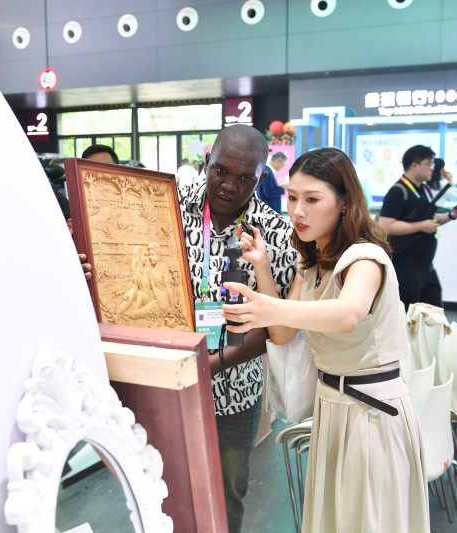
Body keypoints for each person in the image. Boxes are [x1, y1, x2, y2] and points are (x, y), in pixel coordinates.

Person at [222, 147, 430, 533]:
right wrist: (263, 266)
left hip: (371, 413)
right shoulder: (313, 262)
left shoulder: (365, 258)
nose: (298, 211)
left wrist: (267, 308)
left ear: (345, 201)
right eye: (292, 198)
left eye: (312, 199)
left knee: (367, 521)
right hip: (331, 406)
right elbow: (282, 332)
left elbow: (347, 315)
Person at [178, 124, 297, 533]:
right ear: (206, 161)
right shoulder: (170, 208)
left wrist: (210, 364)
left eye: (245, 178)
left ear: (261, 179)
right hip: (168, 383)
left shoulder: (276, 235)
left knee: (226, 494)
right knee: (167, 486)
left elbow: (277, 326)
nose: (229, 185)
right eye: (221, 171)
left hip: (235, 391)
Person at [379, 145, 457, 309]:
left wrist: (451, 216)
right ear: (414, 165)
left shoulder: (424, 189)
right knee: (408, 315)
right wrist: (420, 226)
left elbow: (430, 220)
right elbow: (386, 226)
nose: (433, 168)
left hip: (426, 266)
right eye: (429, 164)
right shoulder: (398, 191)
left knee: (434, 313)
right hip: (405, 267)